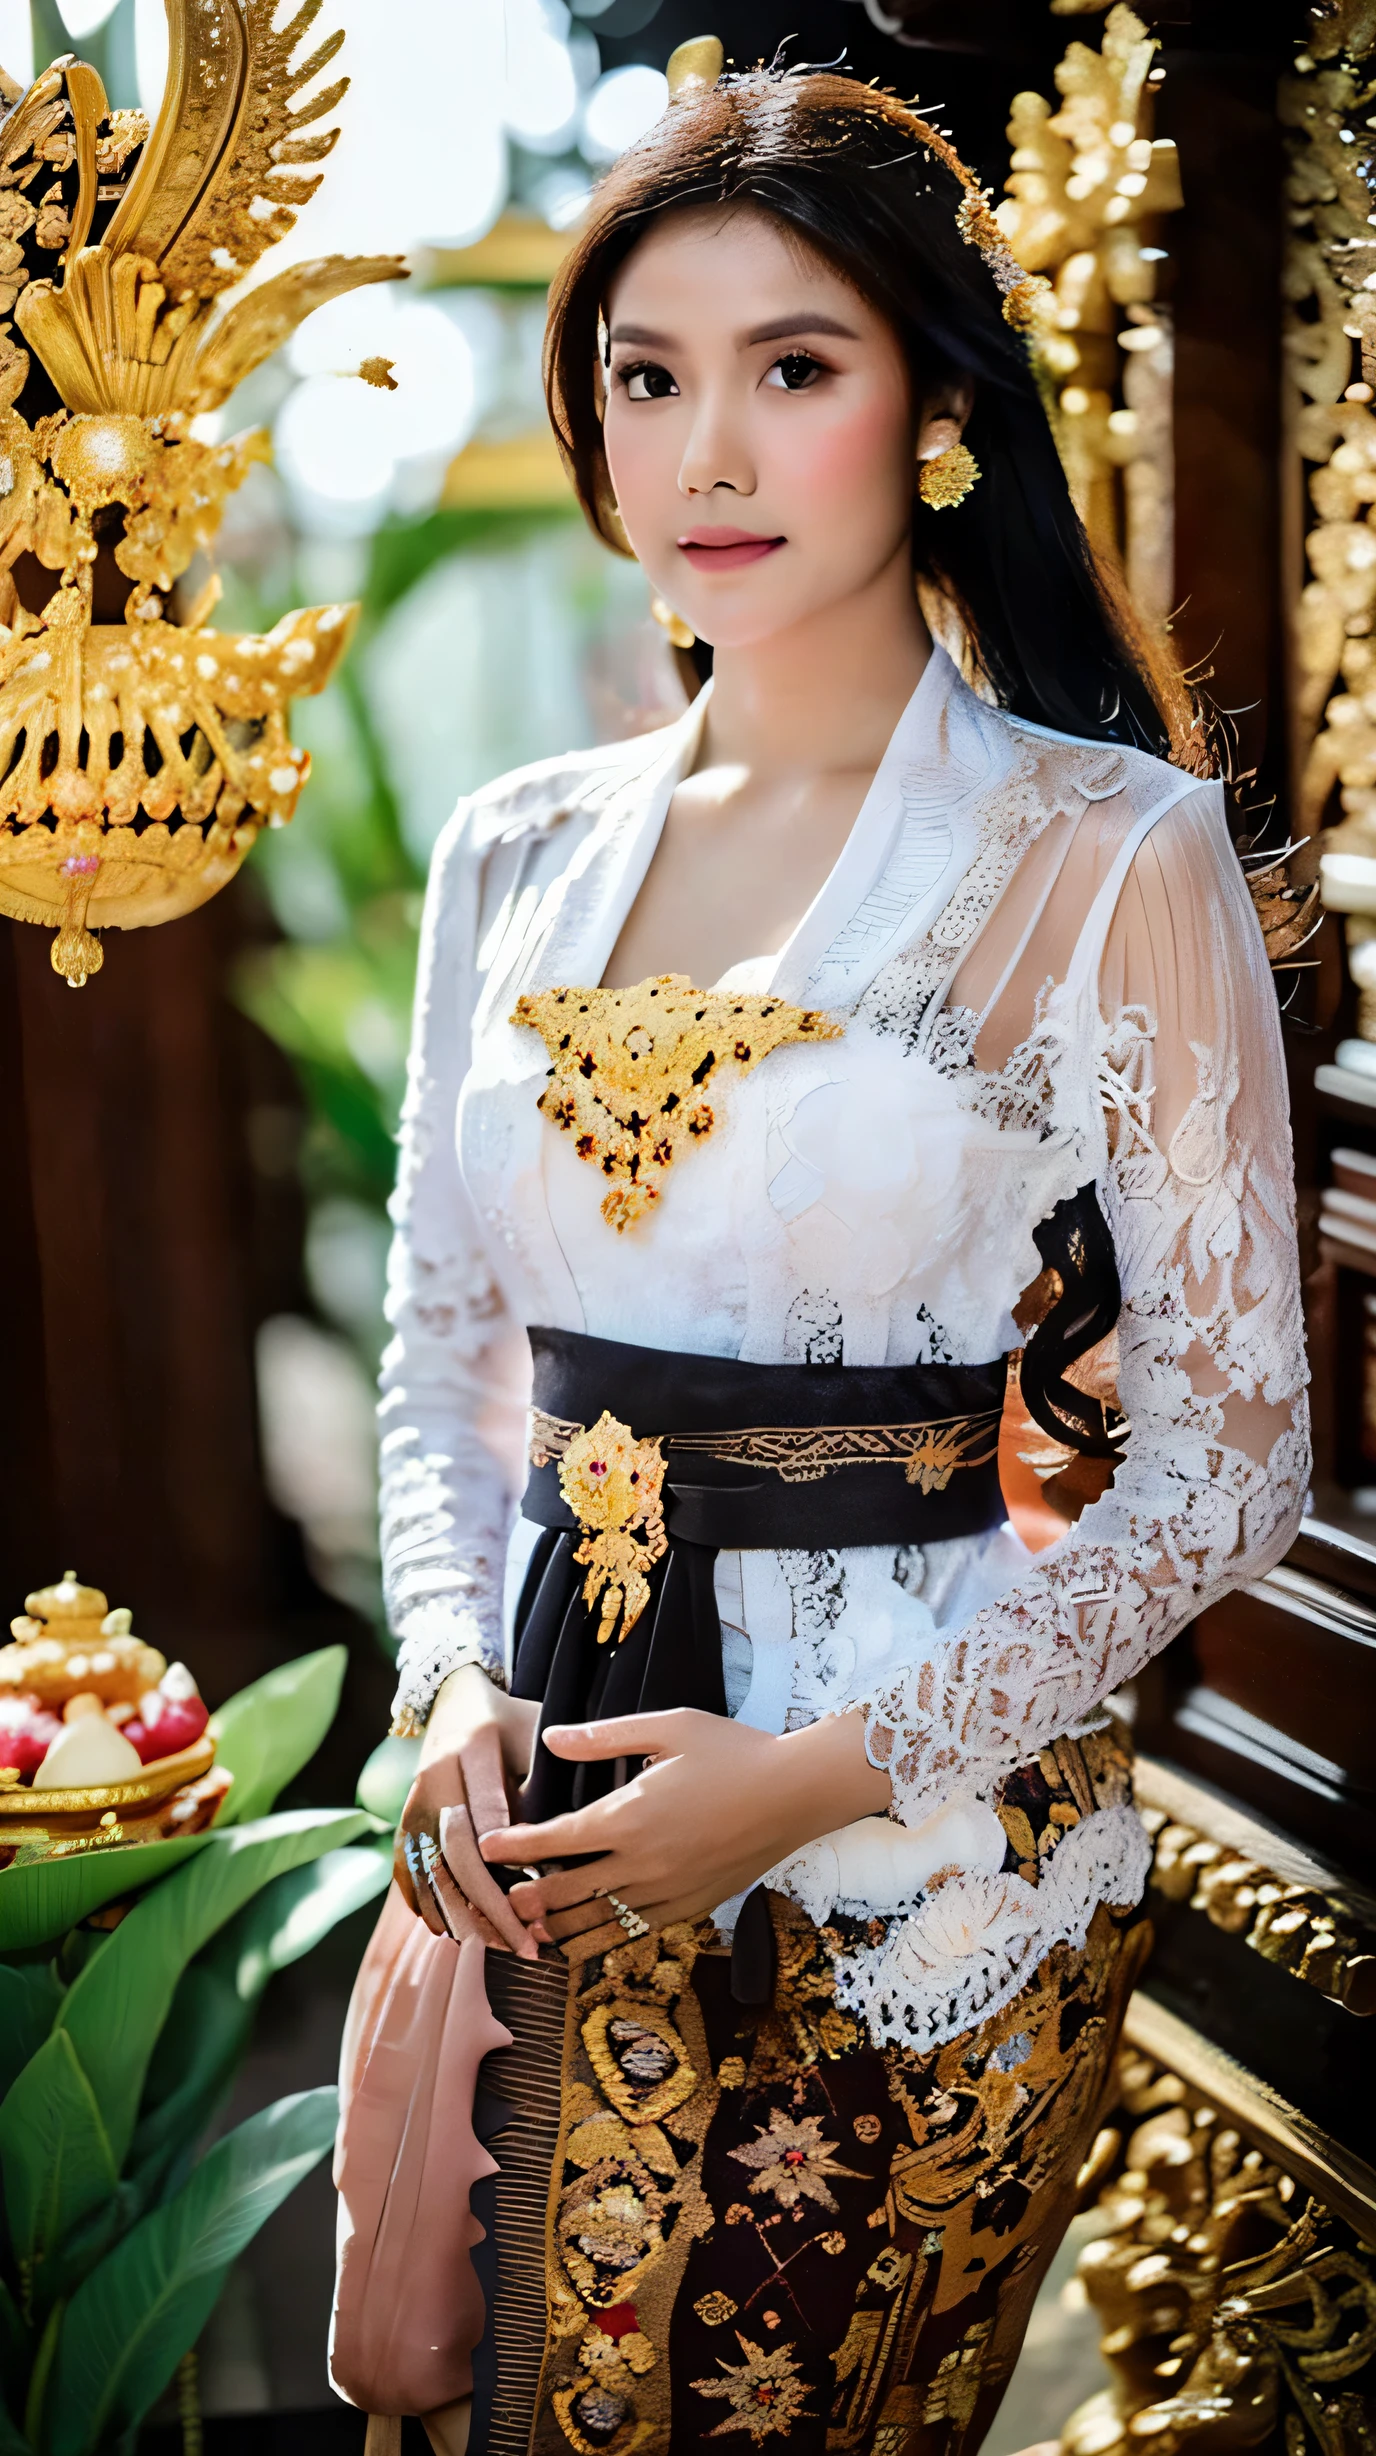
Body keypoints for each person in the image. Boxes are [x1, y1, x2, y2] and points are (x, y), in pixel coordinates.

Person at [329, 43, 1308, 2456]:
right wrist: (449, 1680)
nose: (710, 457)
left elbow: (1229, 1461)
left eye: (795, 368)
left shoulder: (1102, 851)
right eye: (647, 381)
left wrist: (806, 1780)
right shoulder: (512, 849)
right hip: (528, 1826)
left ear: (935, 412)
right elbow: (450, 1348)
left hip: (914, 1883)